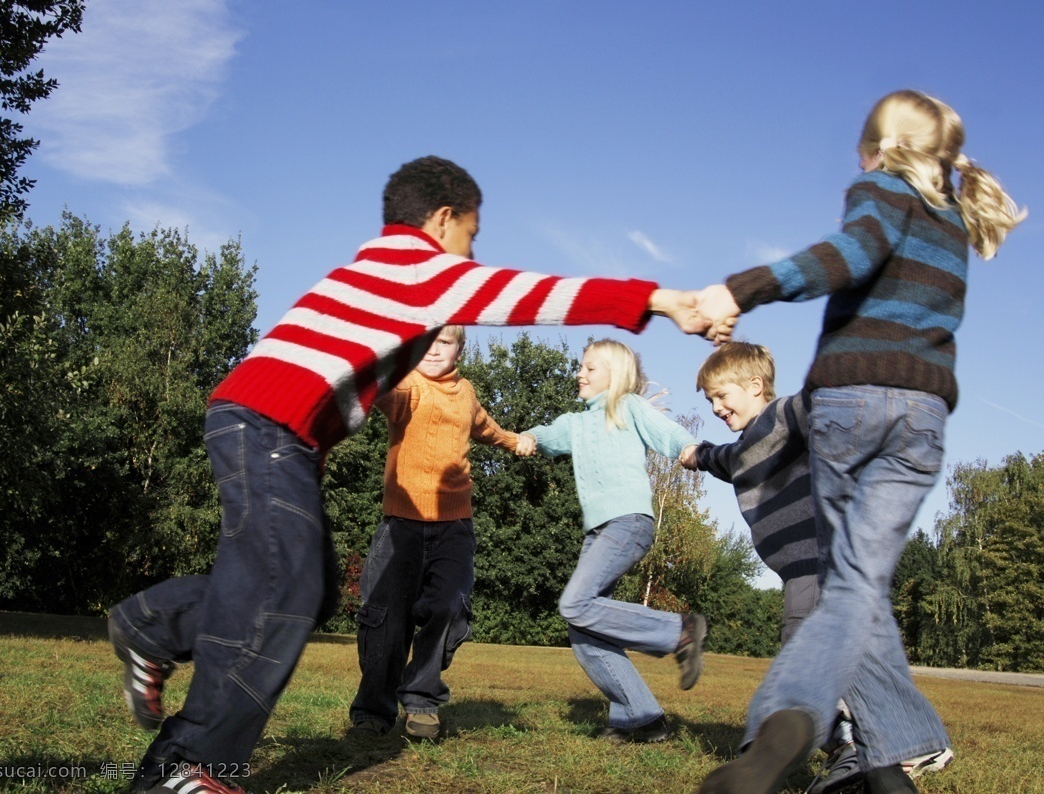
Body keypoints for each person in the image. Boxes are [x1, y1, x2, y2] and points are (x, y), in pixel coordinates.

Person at [105, 155, 709, 794]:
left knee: (299, 590)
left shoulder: (374, 268)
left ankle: (158, 631)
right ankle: (188, 758)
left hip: (265, 426)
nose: (470, 255)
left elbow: (322, 378)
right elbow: (533, 295)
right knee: (281, 590)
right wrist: (658, 299)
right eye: (471, 237)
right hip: (267, 426)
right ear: (444, 219)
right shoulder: (419, 267)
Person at [694, 90, 1025, 794]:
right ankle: (895, 757)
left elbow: (849, 254)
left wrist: (740, 291)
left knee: (844, 589)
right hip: (924, 417)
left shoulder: (881, 187)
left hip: (850, 401)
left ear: (880, 148)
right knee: (857, 588)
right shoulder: (952, 219)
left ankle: (791, 718)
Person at [680, 342, 862, 793]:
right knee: (844, 664)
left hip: (821, 562)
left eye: (723, 396)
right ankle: (877, 751)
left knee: (801, 657)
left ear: (756, 386)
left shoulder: (786, 414)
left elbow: (820, 398)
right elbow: (716, 458)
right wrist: (693, 455)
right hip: (801, 571)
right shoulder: (741, 451)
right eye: (710, 401)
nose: (717, 407)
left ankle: (779, 755)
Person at [517, 339, 708, 744]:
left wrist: (688, 447)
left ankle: (680, 631)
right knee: (583, 628)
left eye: (589, 367)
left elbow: (666, 431)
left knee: (574, 603)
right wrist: (527, 438)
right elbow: (547, 434)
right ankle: (640, 718)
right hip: (598, 530)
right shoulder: (576, 422)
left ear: (615, 375)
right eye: (580, 367)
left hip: (628, 522)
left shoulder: (627, 407)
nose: (579, 374)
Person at [348, 324, 528, 742]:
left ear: (459, 350)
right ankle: (373, 711)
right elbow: (381, 393)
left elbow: (485, 428)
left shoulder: (465, 393)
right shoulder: (406, 385)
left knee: (448, 607)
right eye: (425, 342)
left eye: (444, 341)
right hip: (401, 526)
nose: (433, 349)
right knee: (386, 620)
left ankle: (422, 701)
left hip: (454, 528)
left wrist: (515, 441)